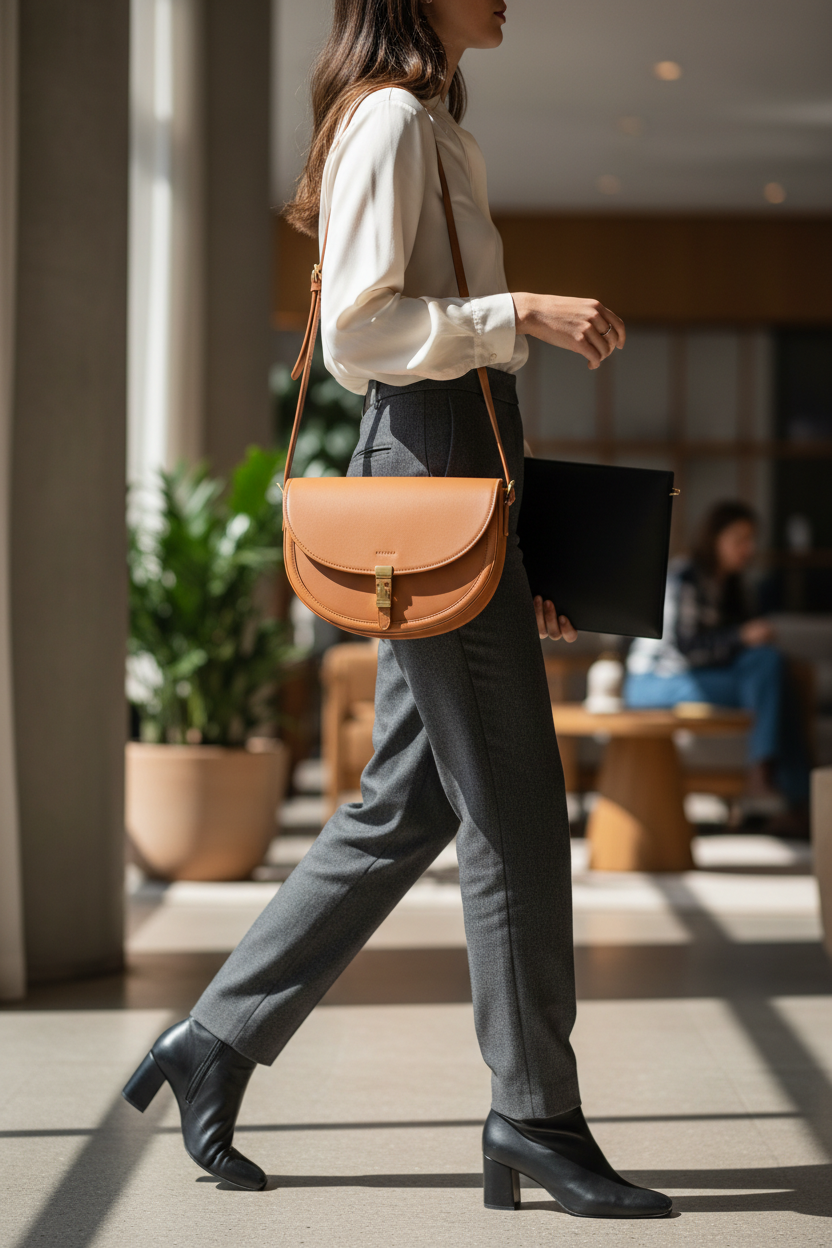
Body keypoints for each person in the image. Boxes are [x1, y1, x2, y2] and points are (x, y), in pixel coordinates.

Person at [122, 0, 671, 1219]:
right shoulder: (385, 121)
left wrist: (513, 553)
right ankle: (533, 1114)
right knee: (516, 811)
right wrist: (516, 310)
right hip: (427, 461)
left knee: (407, 802)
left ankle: (211, 1042)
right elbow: (365, 335)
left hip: (458, 467)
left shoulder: (426, 124)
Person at [626, 500, 810, 824]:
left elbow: (745, 648)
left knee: (771, 666)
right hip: (656, 681)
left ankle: (780, 785)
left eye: (751, 539)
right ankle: (778, 785)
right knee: (771, 676)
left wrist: (751, 639)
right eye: (740, 539)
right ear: (715, 538)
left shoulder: (734, 585)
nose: (748, 548)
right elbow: (689, 650)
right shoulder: (687, 577)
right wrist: (742, 637)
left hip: (697, 676)